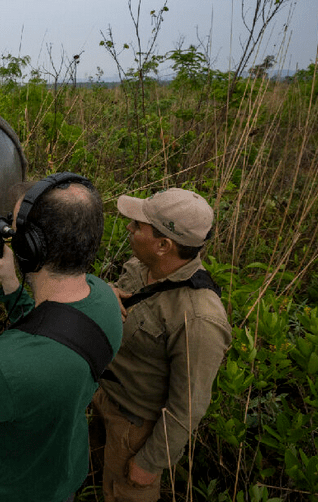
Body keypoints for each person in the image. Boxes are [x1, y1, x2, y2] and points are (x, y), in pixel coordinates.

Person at [0, 173, 124, 502]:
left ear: (31, 249)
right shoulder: (103, 300)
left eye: (15, 229)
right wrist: (11, 285)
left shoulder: (10, 366)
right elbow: (55, 327)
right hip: (63, 478)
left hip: (10, 491)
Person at [91, 187, 232, 502]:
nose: (129, 227)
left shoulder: (199, 320)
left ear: (163, 245)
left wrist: (150, 462)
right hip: (104, 398)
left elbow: (188, 407)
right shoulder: (143, 266)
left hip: (136, 432)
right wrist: (104, 293)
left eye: (138, 226)